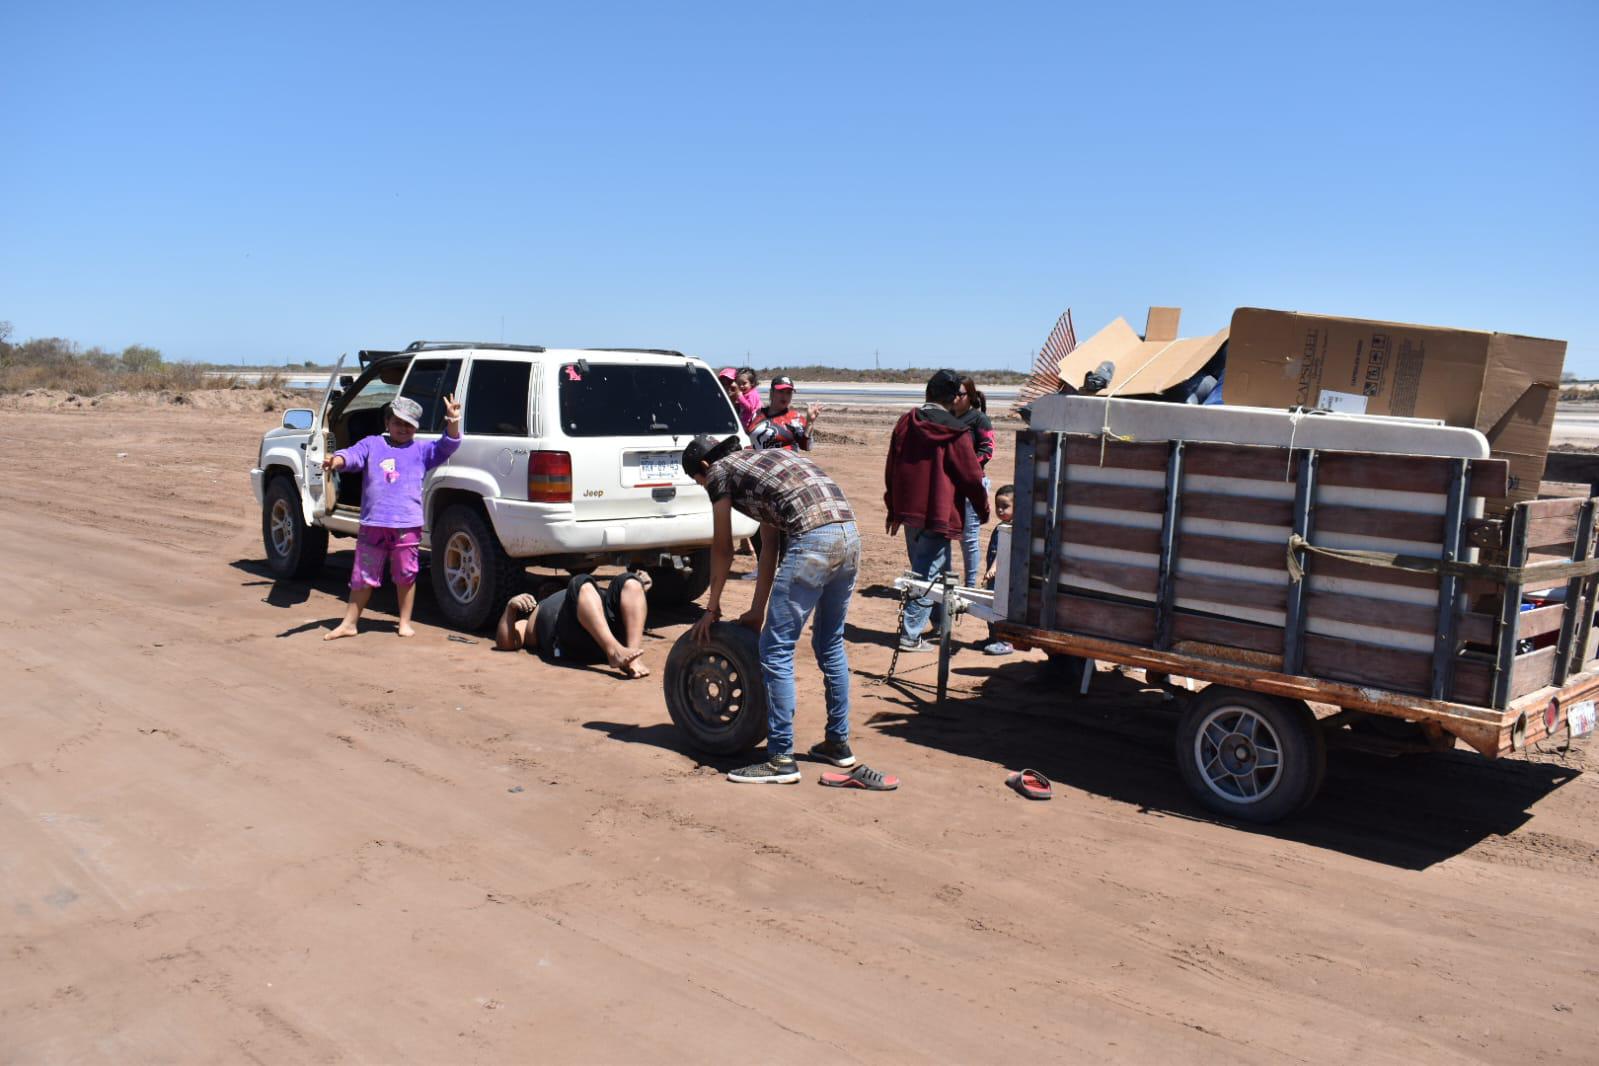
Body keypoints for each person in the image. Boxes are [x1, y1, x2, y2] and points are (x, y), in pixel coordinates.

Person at [684, 434, 860, 785]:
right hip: (850, 537)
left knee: (776, 650)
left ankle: (780, 758)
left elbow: (722, 547)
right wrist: (756, 610)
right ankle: (837, 744)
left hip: (814, 542)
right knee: (830, 644)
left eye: (697, 481)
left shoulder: (719, 472)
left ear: (704, 467)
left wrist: (711, 608)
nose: (704, 486)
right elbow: (769, 547)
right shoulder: (763, 463)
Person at [323, 394, 461, 640]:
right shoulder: (372, 444)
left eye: (409, 425)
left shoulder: (421, 450)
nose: (403, 429)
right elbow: (352, 456)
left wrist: (452, 420)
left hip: (406, 525)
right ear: (387, 422)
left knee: (406, 575)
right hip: (372, 524)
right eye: (398, 423)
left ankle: (404, 622)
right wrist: (336, 460)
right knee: (362, 575)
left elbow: (448, 445)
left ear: (416, 428)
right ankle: (349, 622)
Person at [884, 369, 989, 653]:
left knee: (937, 570)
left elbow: (892, 465)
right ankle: (909, 635)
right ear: (954, 398)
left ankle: (941, 624)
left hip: (909, 512)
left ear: (927, 393)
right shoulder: (956, 432)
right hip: (938, 514)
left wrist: (892, 506)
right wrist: (982, 507)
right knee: (926, 576)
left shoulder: (907, 421)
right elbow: (971, 476)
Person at [493, 571, 652, 678]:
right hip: (570, 638)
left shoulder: (588, 594)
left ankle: (633, 658)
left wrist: (639, 588)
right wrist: (510, 609)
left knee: (630, 582)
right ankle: (614, 651)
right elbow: (506, 643)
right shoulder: (531, 619)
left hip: (606, 625)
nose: (550, 588)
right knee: (580, 582)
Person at [953, 376, 995, 589]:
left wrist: (965, 467)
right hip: (948, 484)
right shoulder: (947, 417)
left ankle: (969, 586)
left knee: (968, 538)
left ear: (969, 396)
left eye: (959, 394)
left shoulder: (979, 420)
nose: (954, 398)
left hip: (971, 485)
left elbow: (987, 450)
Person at [980, 484, 1015, 656]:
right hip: (994, 576)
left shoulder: (1012, 529)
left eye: (1005, 506)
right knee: (992, 606)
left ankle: (1006, 641)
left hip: (1004, 577)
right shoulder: (1002, 526)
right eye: (998, 506)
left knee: (1002, 608)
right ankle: (993, 637)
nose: (1000, 510)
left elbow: (1003, 552)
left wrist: (993, 568)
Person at [748, 375, 823, 451]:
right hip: (756, 460)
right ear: (771, 392)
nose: (785, 396)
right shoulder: (757, 414)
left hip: (782, 460)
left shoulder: (795, 418)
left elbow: (807, 446)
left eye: (788, 393)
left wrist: (810, 422)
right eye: (781, 391)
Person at [733, 367, 763, 431]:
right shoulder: (746, 393)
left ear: (752, 383)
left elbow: (750, 408)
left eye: (744, 383)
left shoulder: (752, 394)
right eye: (739, 384)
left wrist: (740, 397)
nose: (741, 386)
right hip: (746, 422)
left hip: (751, 424)